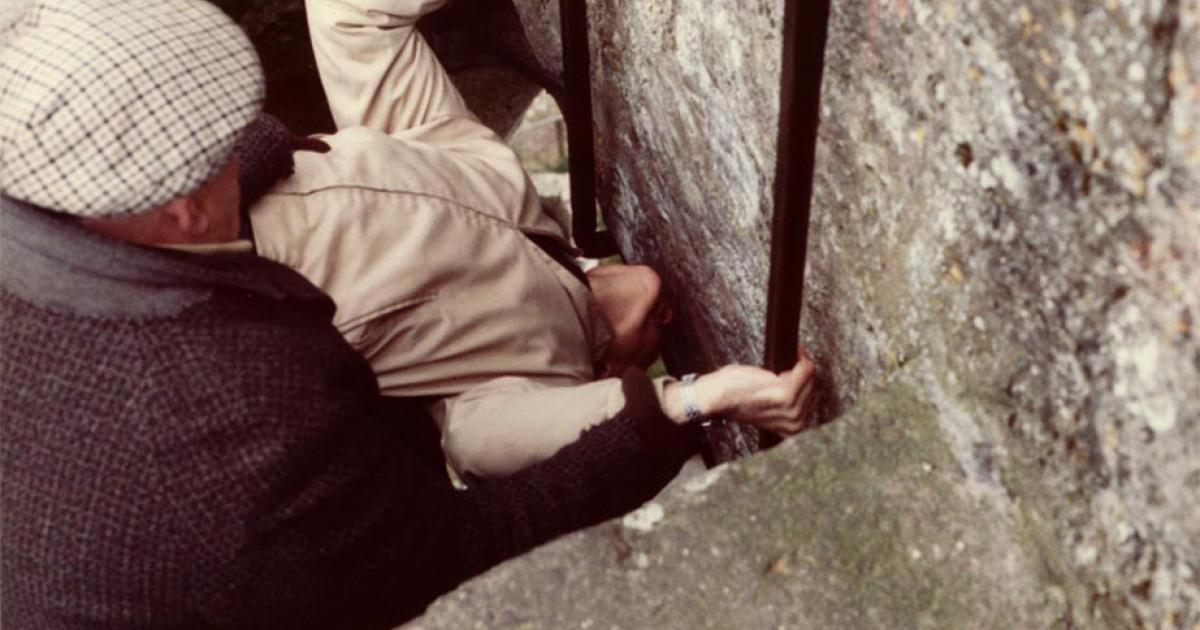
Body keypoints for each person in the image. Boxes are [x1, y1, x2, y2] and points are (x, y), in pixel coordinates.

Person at [0, 1, 818, 628]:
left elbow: (335, 50)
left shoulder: (76, 186)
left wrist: (254, 160)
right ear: (179, 210)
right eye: (216, 150)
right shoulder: (250, 429)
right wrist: (686, 400)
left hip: (437, 179)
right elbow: (458, 545)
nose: (649, 292)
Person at [244, 0, 821, 478]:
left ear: (605, 376)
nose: (664, 314)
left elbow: (348, 14)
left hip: (227, 249)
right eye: (666, 335)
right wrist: (702, 398)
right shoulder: (525, 363)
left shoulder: (491, 383)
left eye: (661, 337)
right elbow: (489, 444)